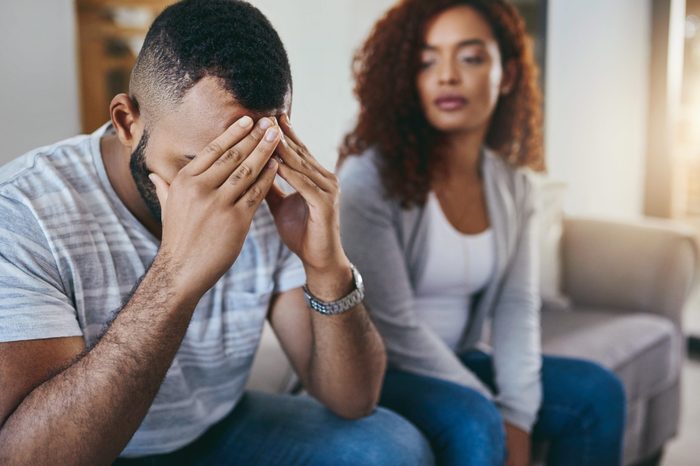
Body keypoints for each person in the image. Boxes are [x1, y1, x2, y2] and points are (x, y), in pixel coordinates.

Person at [0, 1, 435, 465]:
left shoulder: (272, 196)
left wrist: (326, 264)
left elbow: (353, 399)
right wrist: (176, 274)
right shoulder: (24, 211)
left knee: (391, 448)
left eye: (253, 161)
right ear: (128, 121)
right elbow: (27, 457)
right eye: (201, 167)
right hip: (106, 452)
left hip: (220, 425)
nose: (232, 190)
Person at [337, 1, 626, 465]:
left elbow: (516, 307)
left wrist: (519, 413)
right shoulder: (367, 181)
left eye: (469, 57)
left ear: (507, 75)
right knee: (475, 419)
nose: (446, 76)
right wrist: (493, 409)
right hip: (383, 371)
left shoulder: (514, 185)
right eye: (426, 60)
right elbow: (394, 327)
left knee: (597, 392)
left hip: (461, 357)